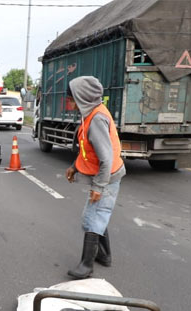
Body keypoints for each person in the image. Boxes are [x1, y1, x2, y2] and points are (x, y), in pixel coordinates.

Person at [65, 76, 126, 279]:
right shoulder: (89, 114)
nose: (69, 102)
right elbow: (87, 148)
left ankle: (86, 265)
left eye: (71, 98)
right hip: (105, 175)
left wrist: (99, 187)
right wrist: (75, 166)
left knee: (92, 219)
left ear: (82, 97)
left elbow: (106, 159)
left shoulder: (97, 119)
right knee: (96, 216)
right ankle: (104, 255)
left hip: (108, 177)